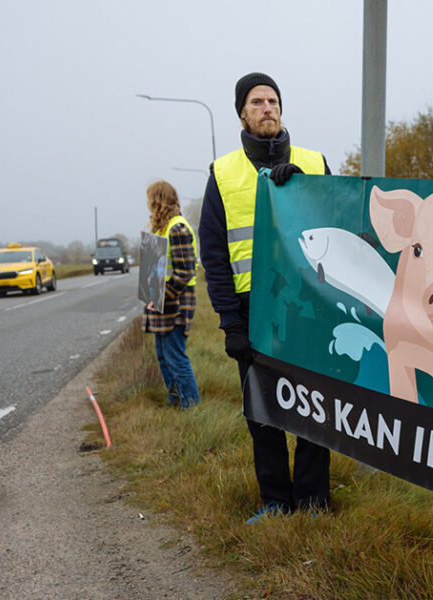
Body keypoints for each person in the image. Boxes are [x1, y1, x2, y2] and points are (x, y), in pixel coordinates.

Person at [199, 72, 333, 521]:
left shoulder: (314, 163)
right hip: (253, 311)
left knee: (315, 407)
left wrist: (299, 192)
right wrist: (230, 323)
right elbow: (214, 253)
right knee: (263, 412)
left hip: (308, 309)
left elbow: (339, 226)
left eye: (273, 100)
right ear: (242, 113)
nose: (267, 108)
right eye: (256, 102)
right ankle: (276, 501)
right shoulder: (222, 173)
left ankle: (314, 502)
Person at [142, 180, 201, 410]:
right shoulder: (161, 228)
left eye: (150, 200)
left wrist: (162, 297)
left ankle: (191, 406)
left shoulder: (178, 228)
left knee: (175, 357)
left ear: (157, 200)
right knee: (163, 356)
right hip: (162, 302)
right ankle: (174, 400)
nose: (148, 205)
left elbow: (185, 271)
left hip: (175, 301)